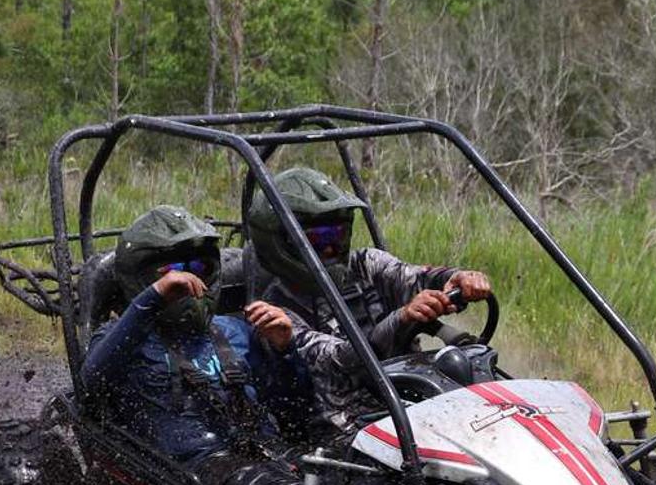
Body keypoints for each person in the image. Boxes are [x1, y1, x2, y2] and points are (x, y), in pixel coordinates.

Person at [243, 167, 492, 433]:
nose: (331, 247)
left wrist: (456, 279)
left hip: (412, 403)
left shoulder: (364, 264)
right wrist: (402, 318)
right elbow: (341, 359)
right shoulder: (275, 315)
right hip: (348, 434)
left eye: (337, 234)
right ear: (282, 242)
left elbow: (414, 277)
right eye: (318, 238)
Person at [80, 205, 309, 464]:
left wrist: (285, 350)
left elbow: (295, 415)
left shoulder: (235, 331)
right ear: (142, 279)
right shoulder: (122, 338)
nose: (189, 282)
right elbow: (91, 382)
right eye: (174, 271)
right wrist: (154, 297)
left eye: (202, 268)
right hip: (201, 470)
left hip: (269, 456)